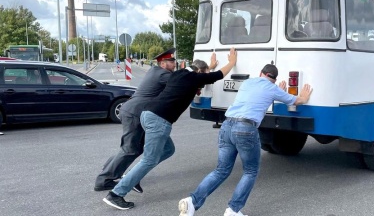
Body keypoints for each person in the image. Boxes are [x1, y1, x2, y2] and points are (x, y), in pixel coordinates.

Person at [102, 48, 237, 210]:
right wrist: (231, 62)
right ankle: (116, 194)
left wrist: (210, 66)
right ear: (200, 71)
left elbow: (204, 77)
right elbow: (217, 76)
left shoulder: (179, 74)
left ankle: (133, 176)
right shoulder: (193, 78)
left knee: (168, 150)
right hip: (159, 120)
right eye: (204, 72)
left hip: (148, 115)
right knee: (149, 160)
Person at [178, 64, 313, 216]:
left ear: (261, 73)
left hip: (227, 125)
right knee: (250, 171)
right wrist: (303, 96)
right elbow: (296, 101)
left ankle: (192, 201)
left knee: (221, 170)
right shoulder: (272, 88)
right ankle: (233, 210)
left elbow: (259, 95)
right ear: (274, 79)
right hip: (246, 128)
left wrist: (277, 91)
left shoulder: (248, 83)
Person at [94, 48, 179, 192]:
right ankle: (104, 180)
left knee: (161, 148)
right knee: (130, 149)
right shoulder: (162, 74)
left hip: (139, 113)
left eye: (174, 60)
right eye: (171, 61)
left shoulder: (154, 71)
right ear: (163, 63)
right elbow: (182, 81)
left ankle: (124, 174)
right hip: (135, 113)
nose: (174, 63)